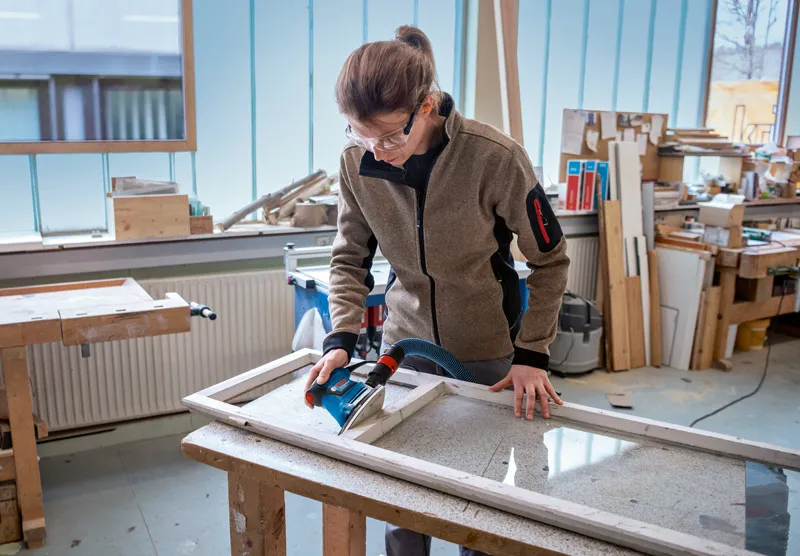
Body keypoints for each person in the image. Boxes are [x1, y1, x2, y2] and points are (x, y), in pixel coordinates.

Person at [304, 25, 570, 556]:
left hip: (488, 353)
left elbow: (551, 259)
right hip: (404, 350)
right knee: (401, 498)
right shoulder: (357, 162)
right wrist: (340, 338)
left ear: (427, 106)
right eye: (361, 135)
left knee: (481, 499)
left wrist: (532, 353)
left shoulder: (494, 157)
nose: (379, 152)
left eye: (391, 137)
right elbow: (349, 257)